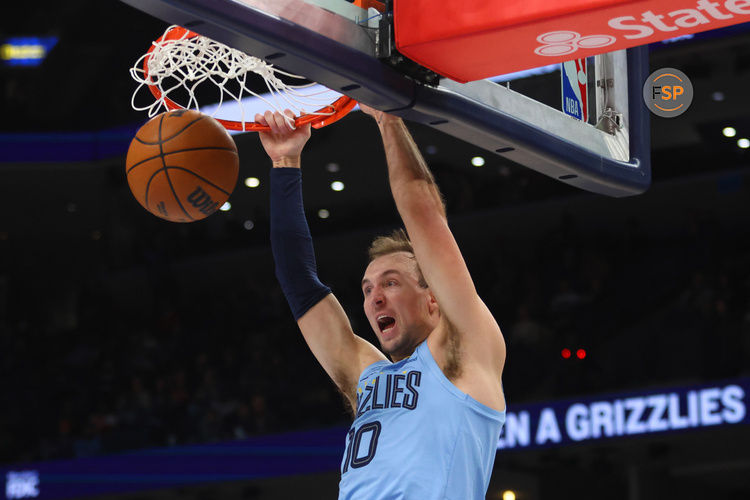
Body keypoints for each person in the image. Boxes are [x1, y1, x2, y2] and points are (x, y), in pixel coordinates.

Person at [255, 107, 506, 499]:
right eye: (368, 289)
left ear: (434, 298)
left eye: (391, 283)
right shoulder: (366, 375)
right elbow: (299, 283)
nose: (375, 298)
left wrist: (388, 117)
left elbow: (423, 210)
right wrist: (285, 162)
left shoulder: (465, 351)